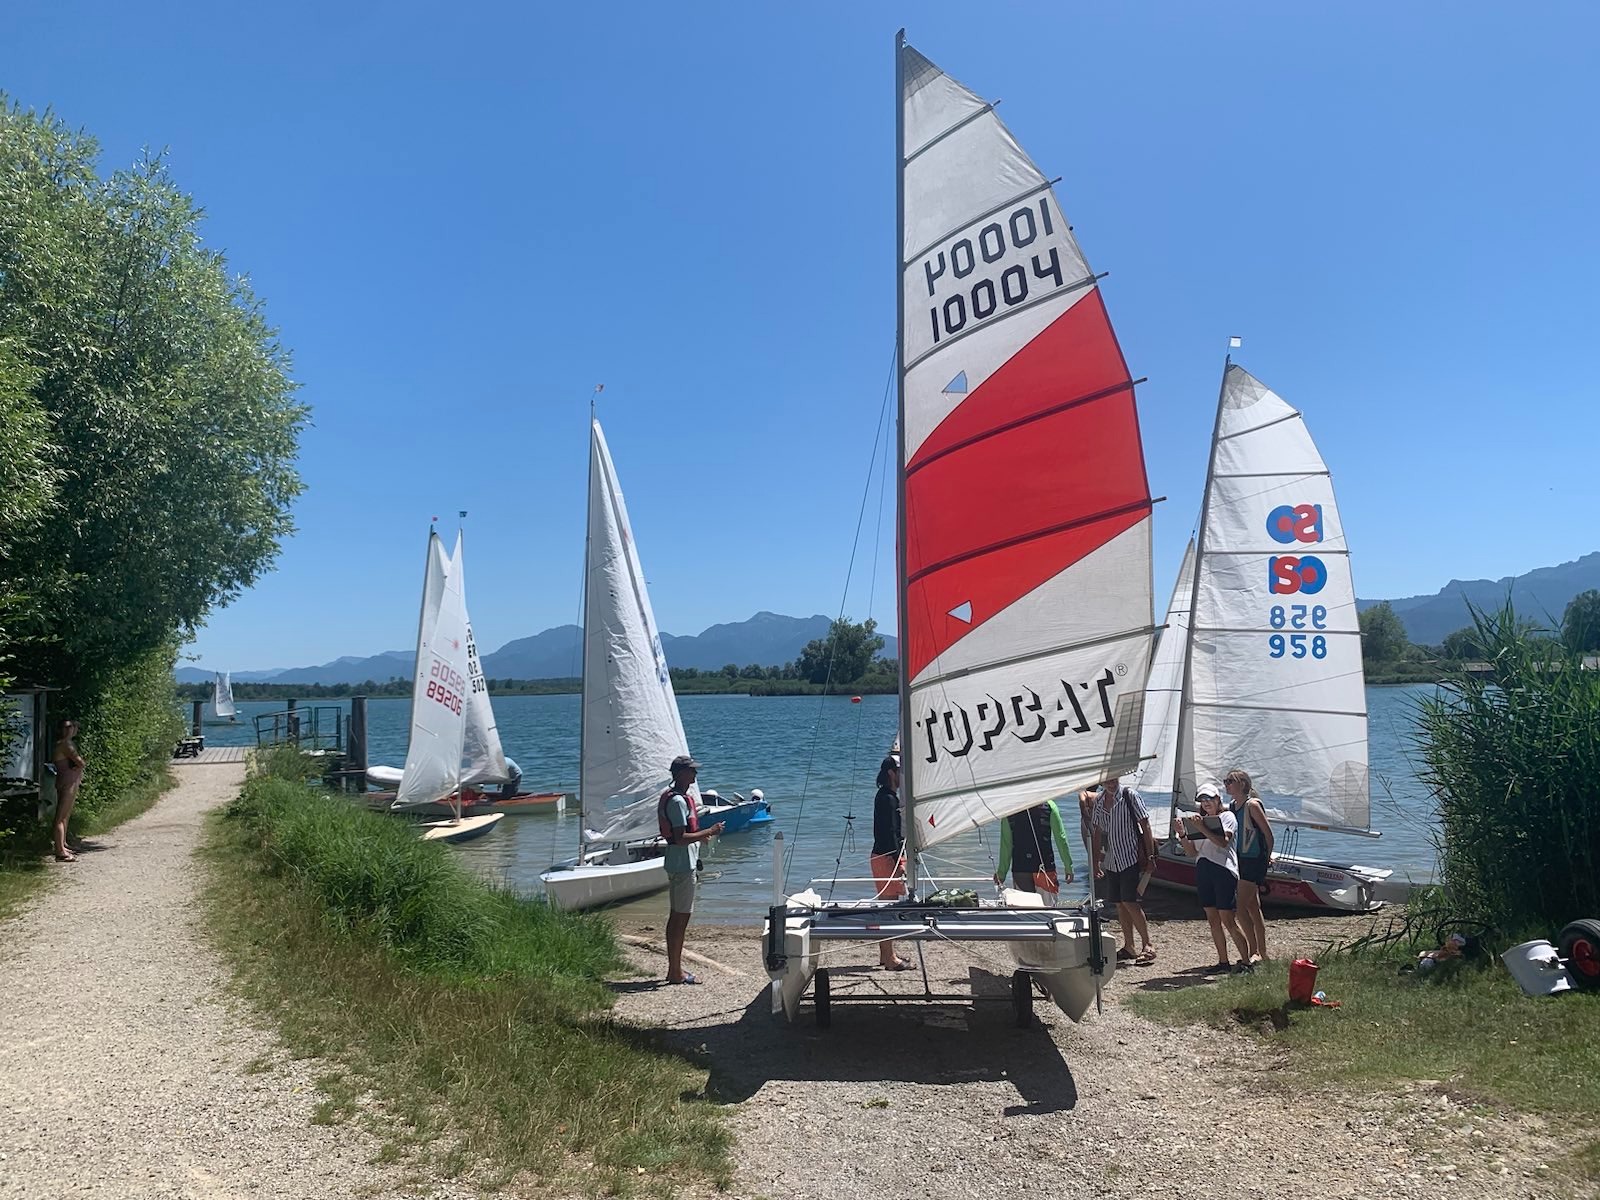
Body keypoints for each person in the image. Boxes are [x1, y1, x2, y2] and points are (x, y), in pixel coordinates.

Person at [657, 754, 724, 985]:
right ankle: (675, 972)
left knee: (677, 916)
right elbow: (680, 838)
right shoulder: (677, 801)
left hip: (679, 862)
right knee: (680, 918)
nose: (695, 773)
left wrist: (701, 837)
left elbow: (684, 835)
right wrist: (710, 831)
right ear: (680, 774)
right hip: (682, 864)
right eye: (692, 770)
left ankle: (674, 969)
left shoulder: (677, 797)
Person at [1179, 782, 1251, 972]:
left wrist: (1201, 827)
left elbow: (1222, 842)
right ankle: (1223, 962)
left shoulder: (1227, 817)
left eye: (1209, 799)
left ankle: (1246, 961)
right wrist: (1182, 835)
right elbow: (1192, 852)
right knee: (1212, 918)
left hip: (1223, 870)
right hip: (1204, 868)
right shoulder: (1199, 820)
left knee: (1227, 918)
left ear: (1218, 799)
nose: (1206, 803)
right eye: (1202, 800)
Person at [1091, 777, 1157, 965]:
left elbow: (1145, 824)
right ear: (1102, 782)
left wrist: (1151, 856)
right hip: (1112, 860)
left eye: (1114, 779)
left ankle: (1148, 944)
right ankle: (1129, 946)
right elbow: (1097, 832)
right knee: (1120, 903)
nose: (1111, 784)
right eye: (1107, 781)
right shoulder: (1099, 801)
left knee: (1130, 901)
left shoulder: (1130, 795)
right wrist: (1095, 862)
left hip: (1130, 857)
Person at [1225, 768, 1274, 963]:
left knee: (1240, 908)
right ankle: (1263, 953)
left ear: (1242, 784)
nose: (1227, 784)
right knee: (1253, 906)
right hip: (1239, 860)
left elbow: (1268, 835)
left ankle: (1254, 952)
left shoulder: (1252, 805)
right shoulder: (1232, 806)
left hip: (1252, 861)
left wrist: (1266, 858)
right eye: (1226, 781)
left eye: (1230, 781)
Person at [870, 755, 911, 969]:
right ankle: (890, 959)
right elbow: (890, 835)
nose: (902, 776)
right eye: (899, 771)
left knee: (887, 907)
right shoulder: (887, 799)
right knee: (887, 909)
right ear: (890, 773)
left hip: (885, 856)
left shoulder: (886, 796)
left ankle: (886, 954)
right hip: (886, 857)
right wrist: (899, 862)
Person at [993, 799, 1075, 899]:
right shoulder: (1050, 805)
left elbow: (1006, 845)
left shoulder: (1009, 811)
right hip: (1045, 867)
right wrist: (1068, 866)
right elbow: (1061, 838)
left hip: (1021, 869)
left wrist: (1001, 873)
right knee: (1048, 907)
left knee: (1025, 907)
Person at [51, 720, 85, 863]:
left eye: (73, 726)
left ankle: (63, 845)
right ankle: (60, 851)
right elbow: (80, 762)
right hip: (67, 782)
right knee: (60, 816)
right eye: (68, 727)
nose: (72, 729)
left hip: (69, 781)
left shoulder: (67, 744)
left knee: (65, 815)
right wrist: (79, 765)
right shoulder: (65, 744)